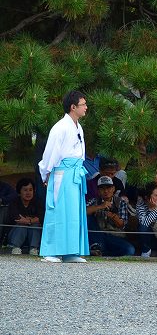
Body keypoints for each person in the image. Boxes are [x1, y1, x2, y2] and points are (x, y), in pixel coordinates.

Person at [38, 90, 90, 263]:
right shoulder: (60, 127)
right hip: (61, 173)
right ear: (73, 107)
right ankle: (50, 250)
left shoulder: (78, 127)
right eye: (83, 104)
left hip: (75, 173)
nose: (86, 107)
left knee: (74, 213)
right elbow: (50, 154)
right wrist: (45, 174)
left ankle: (71, 251)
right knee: (58, 211)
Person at [86, 176, 135, 256]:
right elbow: (82, 213)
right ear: (98, 191)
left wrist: (113, 216)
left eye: (108, 188)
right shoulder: (94, 200)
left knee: (130, 250)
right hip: (98, 235)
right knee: (88, 218)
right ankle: (98, 249)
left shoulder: (121, 202)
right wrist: (100, 206)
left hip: (115, 236)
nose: (106, 191)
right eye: (102, 188)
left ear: (113, 189)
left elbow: (122, 225)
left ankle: (103, 253)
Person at [5, 178, 43, 255]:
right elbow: (17, 218)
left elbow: (41, 217)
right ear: (20, 191)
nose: (28, 193)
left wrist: (29, 221)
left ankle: (34, 248)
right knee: (22, 225)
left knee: (35, 225)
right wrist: (32, 219)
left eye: (30, 190)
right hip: (15, 234)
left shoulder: (37, 202)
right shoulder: (14, 202)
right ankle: (15, 247)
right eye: (25, 190)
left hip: (31, 234)